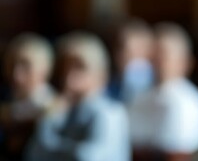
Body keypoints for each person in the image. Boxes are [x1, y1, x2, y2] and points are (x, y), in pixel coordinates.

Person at [26, 31, 130, 161]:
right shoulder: (62, 111)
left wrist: (53, 148)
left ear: (101, 73)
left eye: (80, 67)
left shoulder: (111, 112)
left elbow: (88, 157)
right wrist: (50, 116)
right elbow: (35, 153)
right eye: (66, 67)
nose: (70, 75)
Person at [128, 22, 198, 161]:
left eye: (163, 54)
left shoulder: (192, 103)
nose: (156, 60)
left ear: (184, 61)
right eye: (153, 54)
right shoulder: (140, 96)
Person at [0, 33, 56, 160]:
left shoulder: (54, 108)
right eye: (11, 64)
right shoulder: (6, 97)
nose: (16, 74)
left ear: (44, 69)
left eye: (26, 65)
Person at [106, 17, 155, 104]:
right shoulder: (108, 89)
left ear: (149, 52)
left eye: (132, 52)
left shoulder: (160, 89)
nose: (122, 56)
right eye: (120, 49)